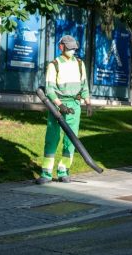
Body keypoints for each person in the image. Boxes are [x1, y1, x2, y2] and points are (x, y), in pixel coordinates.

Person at [36, 34, 92, 184]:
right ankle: (46, 173)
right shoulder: (54, 65)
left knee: (71, 139)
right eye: (69, 48)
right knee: (52, 137)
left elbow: (84, 85)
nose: (72, 51)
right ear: (61, 47)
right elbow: (49, 89)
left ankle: (63, 171)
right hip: (57, 105)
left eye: (74, 49)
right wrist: (60, 105)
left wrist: (88, 103)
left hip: (74, 105)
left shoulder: (80, 64)